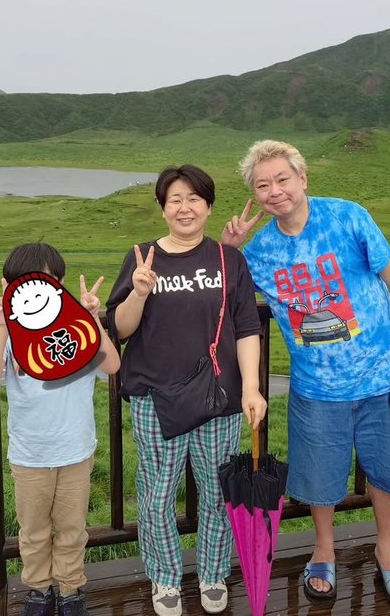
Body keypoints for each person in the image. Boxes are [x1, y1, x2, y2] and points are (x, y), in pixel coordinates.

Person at [222, 140, 390, 608]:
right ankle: (322, 548)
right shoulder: (260, 249)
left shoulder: (348, 216)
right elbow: (222, 296)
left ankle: (387, 550)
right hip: (317, 386)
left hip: (386, 376)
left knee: (386, 474)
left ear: (302, 179)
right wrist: (228, 249)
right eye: (262, 185)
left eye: (282, 179)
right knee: (321, 478)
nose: (274, 191)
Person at [106, 165, 268, 616]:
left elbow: (246, 327)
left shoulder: (227, 259)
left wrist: (251, 389)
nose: (185, 207)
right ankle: (165, 578)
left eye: (194, 198)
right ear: (162, 207)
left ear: (209, 207)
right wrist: (138, 292)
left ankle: (213, 574)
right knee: (157, 495)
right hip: (154, 399)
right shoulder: (142, 256)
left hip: (219, 400)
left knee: (217, 493)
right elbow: (119, 328)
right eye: (175, 199)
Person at [0, 242, 121, 616]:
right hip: (30, 455)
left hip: (75, 450)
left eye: (46, 280)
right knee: (34, 532)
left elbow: (112, 365)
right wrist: (4, 328)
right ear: (10, 288)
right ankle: (39, 590)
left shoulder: (78, 326)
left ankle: (71, 589)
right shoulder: (6, 332)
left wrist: (94, 318)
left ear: (60, 283)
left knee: (73, 529)